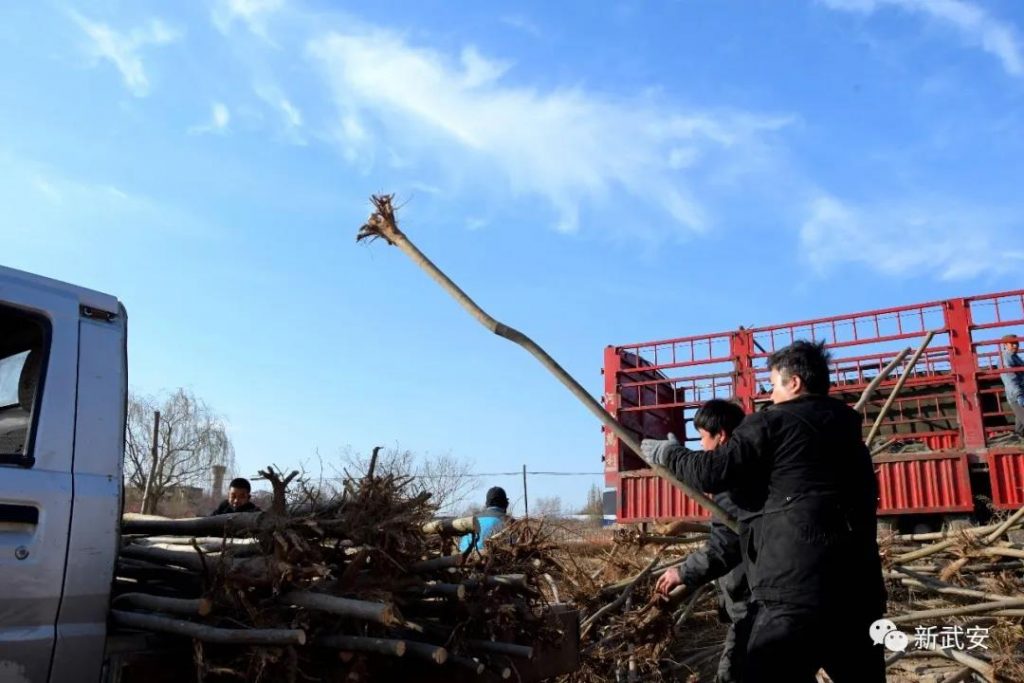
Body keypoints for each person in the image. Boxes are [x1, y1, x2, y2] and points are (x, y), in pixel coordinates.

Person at [642, 340, 885, 683]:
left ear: (794, 383)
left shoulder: (775, 423)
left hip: (795, 595)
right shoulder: (851, 440)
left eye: (773, 385)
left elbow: (712, 472)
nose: (770, 396)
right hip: (859, 596)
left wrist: (669, 455)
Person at [654, 399, 750, 683]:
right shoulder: (753, 466)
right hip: (760, 598)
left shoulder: (734, 479)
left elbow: (725, 547)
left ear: (720, 435)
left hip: (755, 600)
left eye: (703, 438)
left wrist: (681, 572)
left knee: (732, 674)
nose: (702, 447)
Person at [459, 486, 509, 552]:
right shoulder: (510, 523)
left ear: (486, 504)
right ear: (506, 504)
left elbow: (462, 547)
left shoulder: (471, 521)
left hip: (466, 559)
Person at [1000, 334, 1024, 438]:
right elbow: (1009, 379)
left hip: (1020, 392)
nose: (1015, 346)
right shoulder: (1006, 358)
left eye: (1017, 343)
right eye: (1012, 343)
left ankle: (1018, 436)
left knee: (1021, 422)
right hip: (1016, 394)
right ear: (1005, 345)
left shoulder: (1014, 356)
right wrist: (1018, 394)